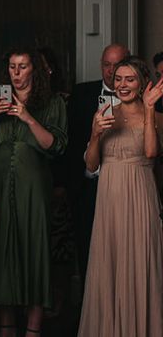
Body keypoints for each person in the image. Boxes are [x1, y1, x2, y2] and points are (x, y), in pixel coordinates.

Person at [0, 48, 67, 337]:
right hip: (0, 183)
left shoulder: (52, 102)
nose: (17, 74)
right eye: (13, 67)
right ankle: (6, 329)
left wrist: (28, 117)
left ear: (35, 70)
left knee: (34, 250)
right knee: (3, 252)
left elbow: (55, 145)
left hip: (33, 185)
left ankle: (32, 330)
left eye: (23, 67)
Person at [78, 58, 163, 336]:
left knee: (140, 265)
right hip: (109, 200)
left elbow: (151, 152)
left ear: (141, 84)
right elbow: (91, 165)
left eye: (129, 79)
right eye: (118, 79)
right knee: (109, 266)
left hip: (140, 196)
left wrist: (150, 110)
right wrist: (94, 134)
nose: (122, 85)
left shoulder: (157, 116)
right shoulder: (104, 112)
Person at [66, 43, 128, 285]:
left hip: (125, 186)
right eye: (107, 65)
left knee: (123, 253)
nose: (111, 71)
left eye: (117, 65)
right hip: (89, 187)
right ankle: (89, 314)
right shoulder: (82, 94)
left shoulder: (141, 97)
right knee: (89, 252)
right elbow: (72, 144)